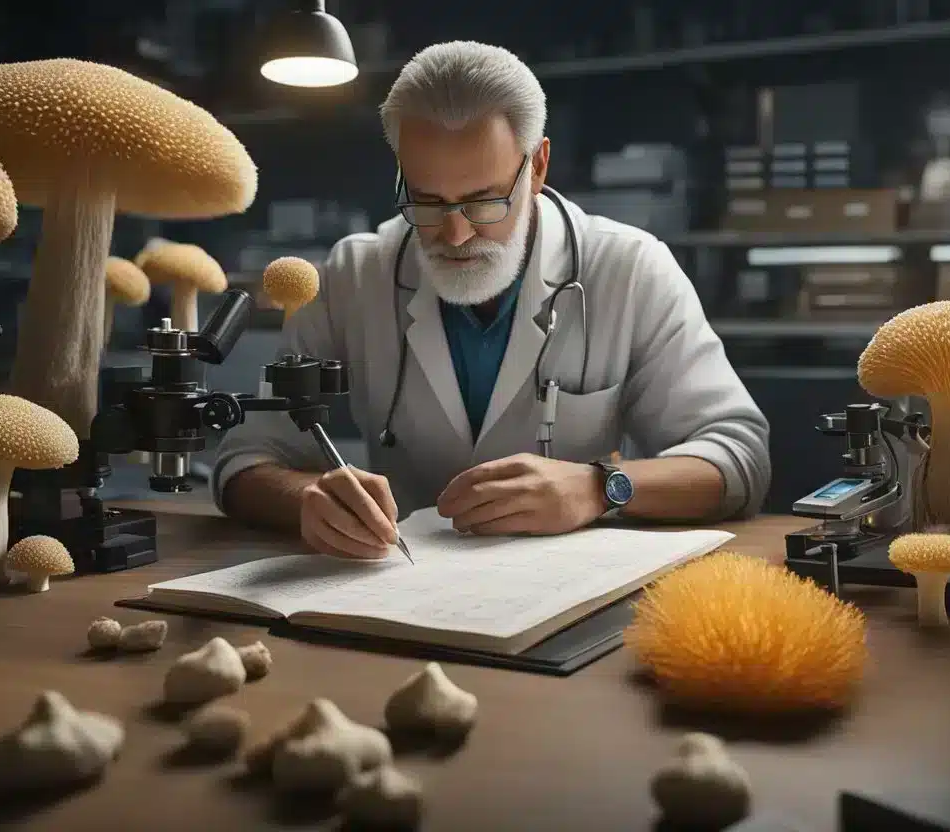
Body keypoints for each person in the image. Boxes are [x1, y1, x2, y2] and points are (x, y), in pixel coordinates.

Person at [214, 41, 771, 560]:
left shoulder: (628, 268)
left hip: (569, 588)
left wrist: (598, 488)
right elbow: (243, 460)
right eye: (427, 201)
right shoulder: (354, 274)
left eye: (483, 202)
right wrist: (307, 499)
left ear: (537, 168)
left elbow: (741, 459)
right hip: (396, 587)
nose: (454, 235)